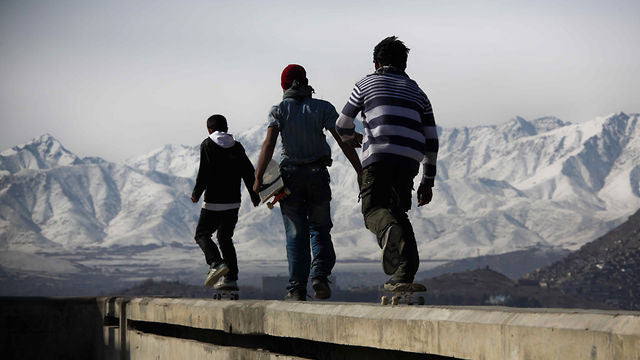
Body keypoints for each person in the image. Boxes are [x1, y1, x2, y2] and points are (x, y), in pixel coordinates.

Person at [335, 36, 439, 289]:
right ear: (404, 64)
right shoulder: (419, 93)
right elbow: (432, 140)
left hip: (379, 155)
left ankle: (387, 231)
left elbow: (341, 124)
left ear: (375, 63)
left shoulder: (365, 84)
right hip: (409, 161)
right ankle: (404, 275)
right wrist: (428, 181)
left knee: (374, 210)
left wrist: (352, 138)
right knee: (398, 211)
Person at [253, 64, 362, 301]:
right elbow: (343, 140)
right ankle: (320, 276)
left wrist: (259, 176)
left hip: (289, 177)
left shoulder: (279, 110)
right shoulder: (322, 108)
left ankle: (296, 288)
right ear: (306, 81)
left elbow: (269, 143)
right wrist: (359, 169)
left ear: (283, 85)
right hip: (317, 175)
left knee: (295, 232)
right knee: (320, 228)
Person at [191, 114, 261, 291]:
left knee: (202, 234)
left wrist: (196, 193)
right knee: (225, 238)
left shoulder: (207, 144)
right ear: (227, 128)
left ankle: (216, 263)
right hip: (233, 203)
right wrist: (254, 195)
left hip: (213, 202)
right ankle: (231, 278)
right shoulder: (237, 146)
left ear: (209, 130)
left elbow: (204, 172)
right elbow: (248, 171)